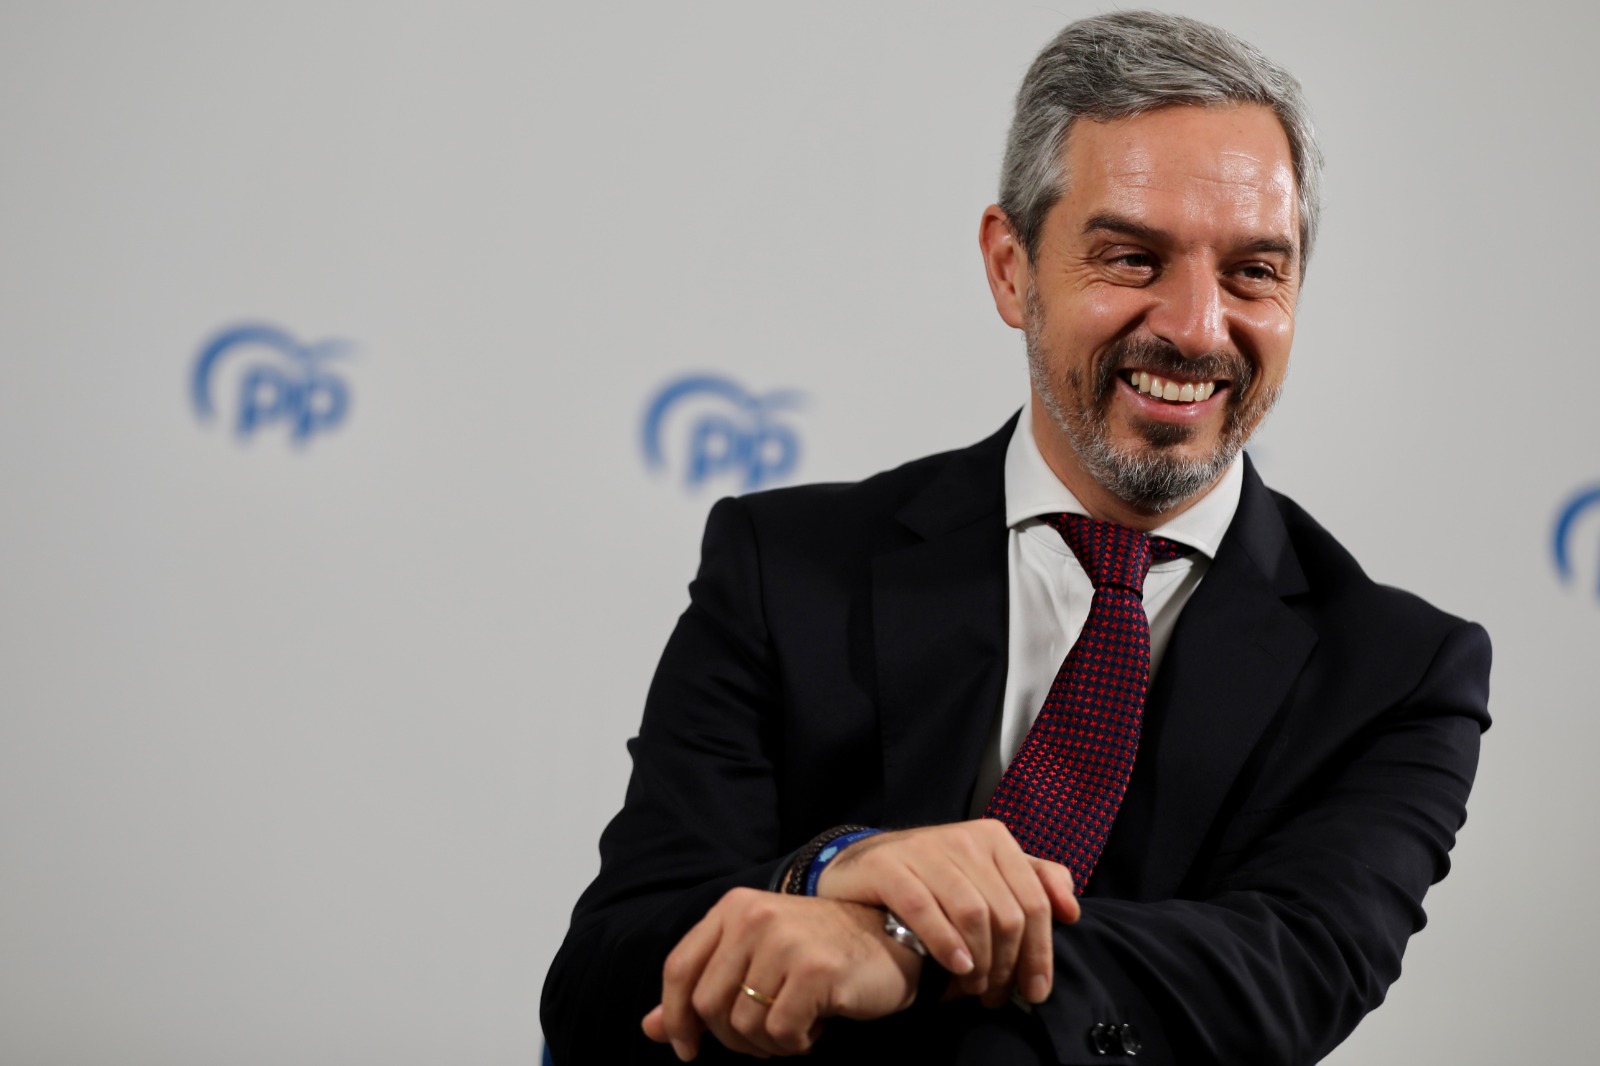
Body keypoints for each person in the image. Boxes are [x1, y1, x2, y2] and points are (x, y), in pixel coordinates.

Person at [541, 11, 1491, 1064]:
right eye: (1132, 258)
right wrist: (828, 869)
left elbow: (1279, 979)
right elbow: (603, 991)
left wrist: (902, 944)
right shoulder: (785, 565)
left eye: (1253, 272)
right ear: (1011, 267)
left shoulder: (1398, 671)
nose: (1196, 325)